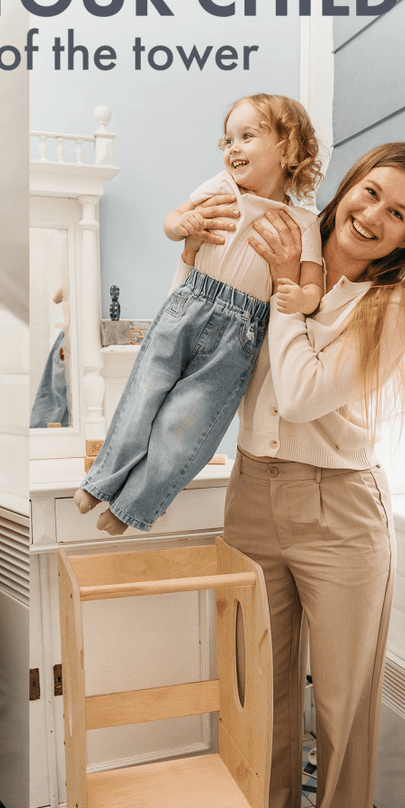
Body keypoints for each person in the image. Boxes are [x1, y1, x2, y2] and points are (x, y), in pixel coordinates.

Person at [223, 142, 405, 808]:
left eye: (398, 215)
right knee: (259, 698)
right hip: (251, 495)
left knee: (342, 708)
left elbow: (298, 393)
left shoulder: (394, 307)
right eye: (371, 193)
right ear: (349, 185)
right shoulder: (280, 241)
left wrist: (290, 295)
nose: (373, 216)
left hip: (341, 516)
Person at [75, 93, 325, 535]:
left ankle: (133, 505)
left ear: (287, 150)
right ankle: (101, 481)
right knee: (142, 396)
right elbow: (173, 221)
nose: (232, 148)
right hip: (190, 304)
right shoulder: (221, 187)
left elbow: (312, 284)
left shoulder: (304, 222)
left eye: (247, 137)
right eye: (228, 140)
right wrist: (181, 226)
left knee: (187, 425)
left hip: (242, 332)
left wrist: (302, 298)